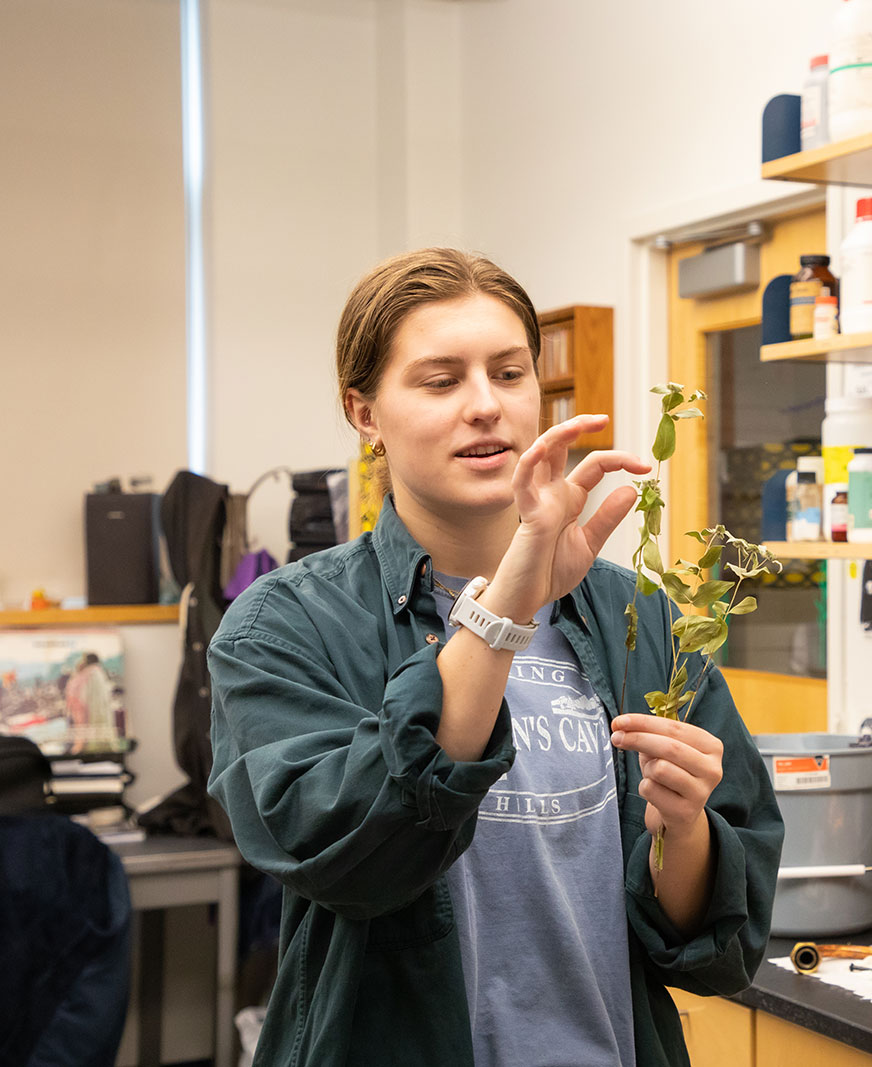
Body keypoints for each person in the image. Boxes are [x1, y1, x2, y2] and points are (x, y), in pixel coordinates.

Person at [207, 247, 783, 1067]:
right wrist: (510, 601)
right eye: (441, 381)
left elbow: (715, 940)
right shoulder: (286, 623)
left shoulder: (634, 616)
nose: (486, 406)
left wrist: (684, 830)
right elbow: (344, 857)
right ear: (364, 412)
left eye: (510, 374)